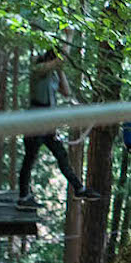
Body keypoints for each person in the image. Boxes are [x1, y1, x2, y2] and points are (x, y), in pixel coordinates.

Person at [16, 48, 99, 210]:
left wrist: (60, 72)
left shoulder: (53, 74)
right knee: (30, 158)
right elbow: (59, 61)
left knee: (61, 155)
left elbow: (66, 92)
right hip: (34, 120)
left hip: (48, 123)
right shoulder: (38, 69)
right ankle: (23, 197)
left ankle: (79, 189)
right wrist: (69, 34)